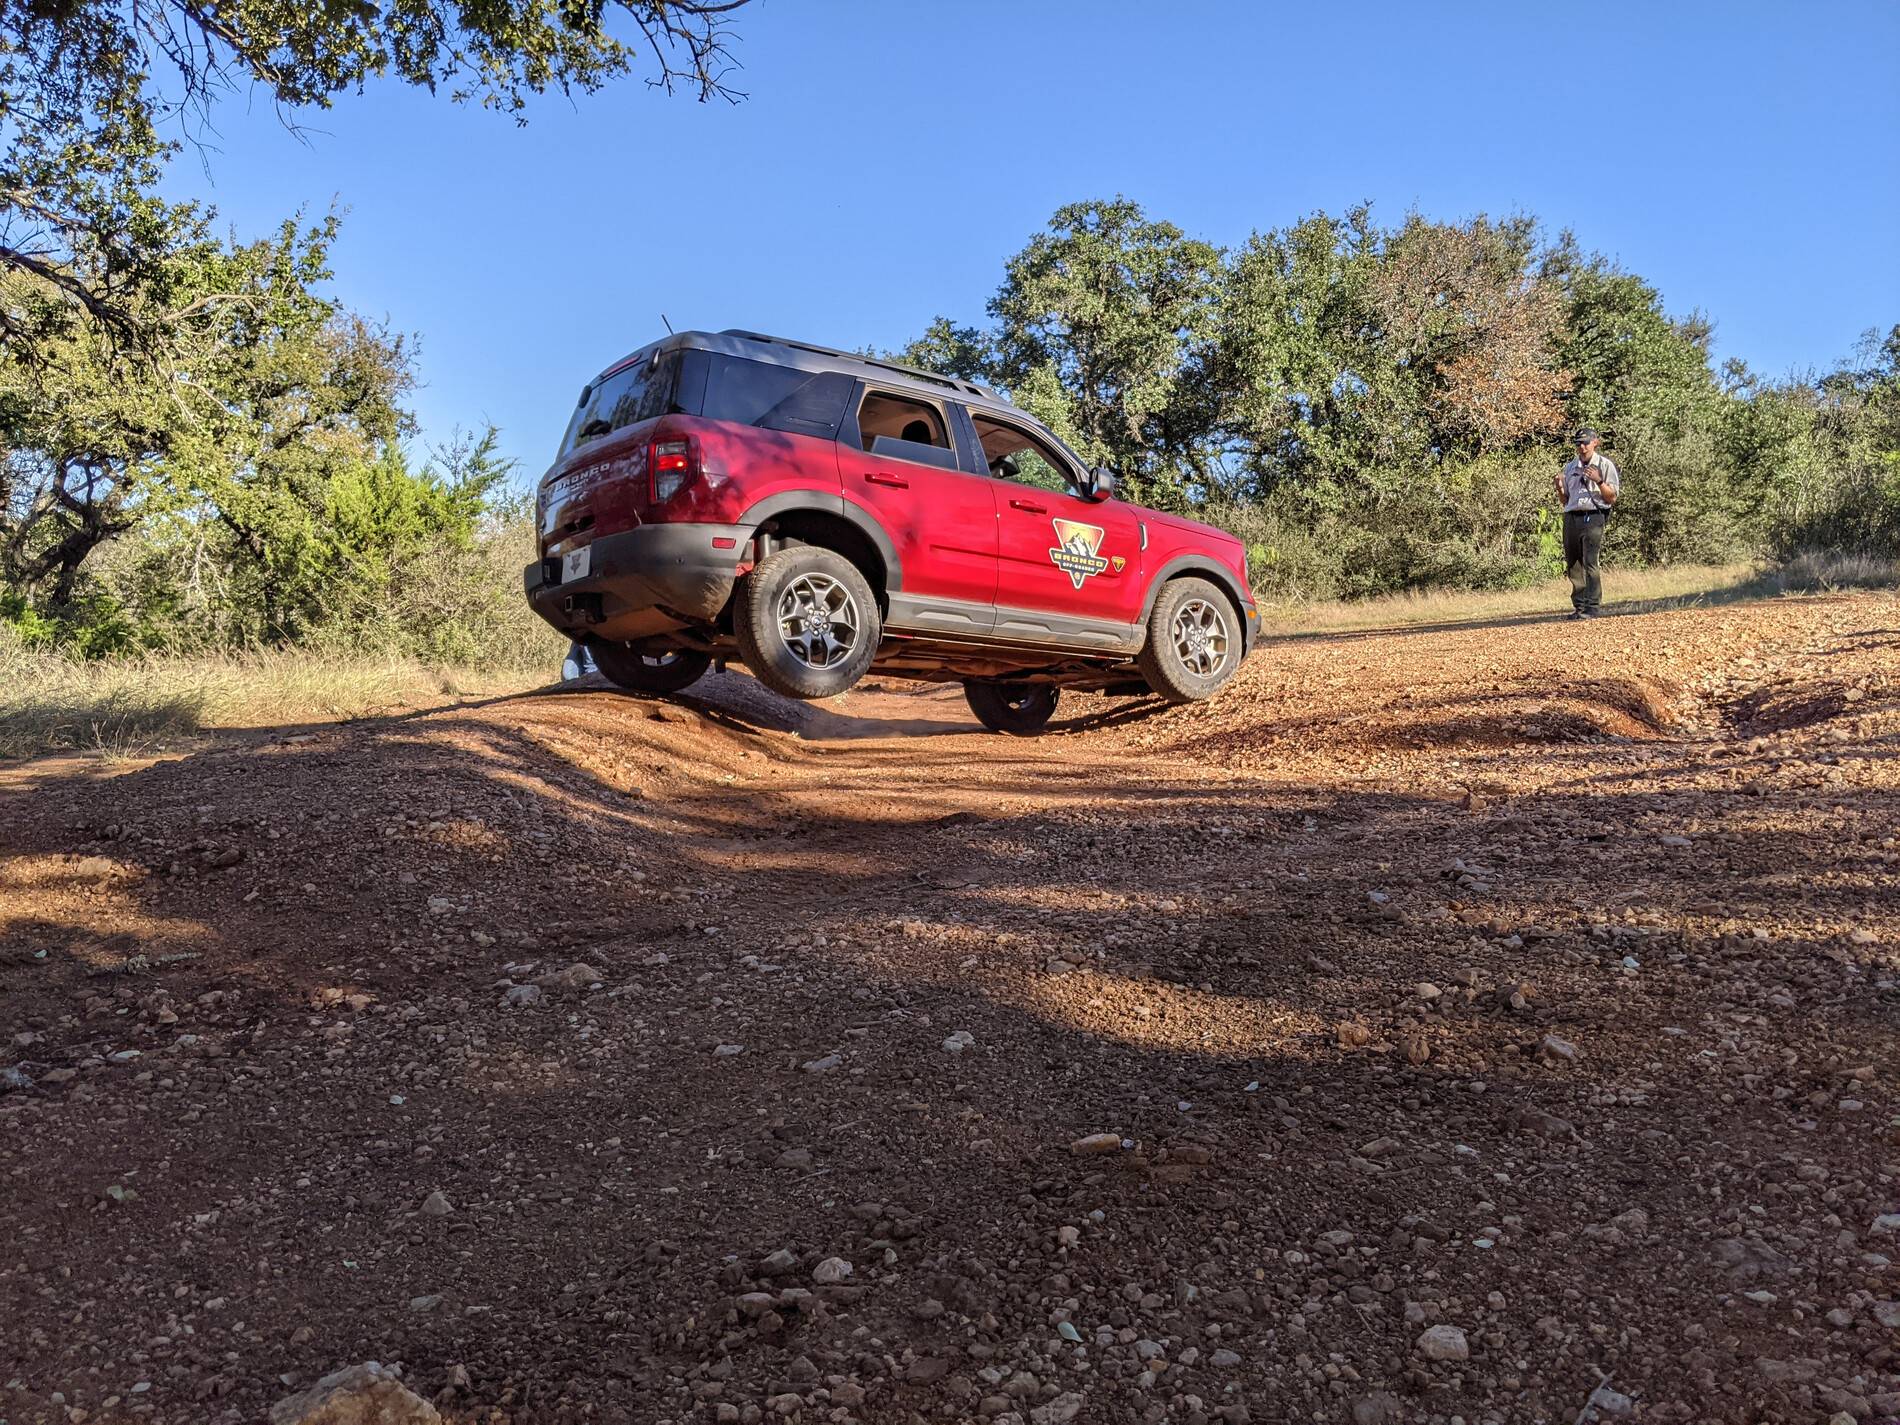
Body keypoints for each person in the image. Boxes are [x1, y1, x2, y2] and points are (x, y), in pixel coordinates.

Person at [1555, 427, 1621, 619]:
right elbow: (1566, 500)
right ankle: (1579, 606)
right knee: (1573, 563)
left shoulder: (1605, 465)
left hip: (1593, 516)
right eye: (1578, 443)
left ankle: (1593, 606)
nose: (1582, 447)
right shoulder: (1570, 467)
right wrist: (1559, 488)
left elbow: (1612, 498)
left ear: (1595, 442)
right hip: (1572, 517)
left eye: (1585, 442)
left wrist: (1599, 481)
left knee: (1590, 562)